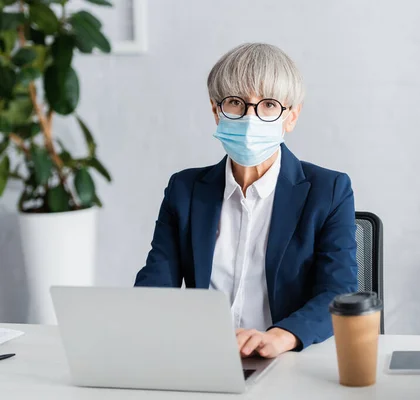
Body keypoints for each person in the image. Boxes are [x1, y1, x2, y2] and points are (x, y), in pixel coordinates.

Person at [135, 43, 357, 358]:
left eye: (268, 105)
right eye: (236, 103)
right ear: (216, 111)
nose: (251, 118)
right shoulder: (184, 189)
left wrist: (282, 337)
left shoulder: (329, 190)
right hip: (204, 357)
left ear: (291, 116)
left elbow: (339, 291)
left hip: (285, 358)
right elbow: (156, 284)